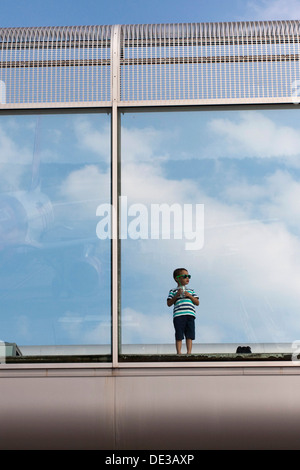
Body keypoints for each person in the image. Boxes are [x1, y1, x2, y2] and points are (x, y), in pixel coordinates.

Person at [167, 268, 199, 355]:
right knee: (179, 334)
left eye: (188, 276)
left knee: (189, 334)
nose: (187, 278)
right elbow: (169, 303)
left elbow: (197, 302)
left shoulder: (191, 291)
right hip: (178, 315)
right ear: (177, 279)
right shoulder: (173, 291)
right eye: (185, 276)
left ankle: (189, 352)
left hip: (190, 314)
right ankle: (179, 353)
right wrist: (176, 295)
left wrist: (190, 296)